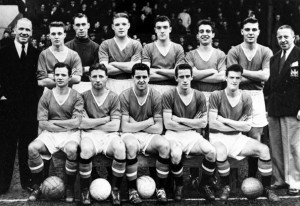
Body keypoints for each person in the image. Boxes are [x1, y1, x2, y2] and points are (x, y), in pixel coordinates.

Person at [209, 64, 279, 201]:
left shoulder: (246, 97)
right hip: (217, 137)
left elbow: (247, 127)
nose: (234, 81)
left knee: (264, 150)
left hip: (237, 138)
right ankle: (226, 187)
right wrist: (237, 125)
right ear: (225, 78)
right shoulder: (216, 95)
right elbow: (212, 123)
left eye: (237, 78)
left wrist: (224, 120)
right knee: (221, 151)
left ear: (241, 79)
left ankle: (266, 188)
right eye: (231, 77)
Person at [27, 62, 84, 202]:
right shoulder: (46, 95)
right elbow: (42, 123)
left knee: (72, 149)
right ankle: (37, 186)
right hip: (51, 134)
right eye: (57, 74)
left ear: (70, 77)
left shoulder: (76, 96)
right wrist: (63, 124)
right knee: (32, 148)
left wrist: (53, 123)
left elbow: (76, 122)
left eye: (63, 75)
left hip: (71, 134)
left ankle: (69, 186)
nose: (59, 77)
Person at [162, 64, 217, 201]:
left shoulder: (199, 96)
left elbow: (203, 123)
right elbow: (168, 123)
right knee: (175, 154)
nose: (185, 80)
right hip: (172, 134)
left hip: (192, 135)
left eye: (187, 76)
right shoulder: (169, 94)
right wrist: (192, 122)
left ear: (192, 77)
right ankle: (179, 185)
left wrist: (179, 119)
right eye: (181, 77)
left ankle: (203, 185)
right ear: (176, 78)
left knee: (211, 152)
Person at [226, 17, 273, 178]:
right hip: (236, 96)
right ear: (242, 31)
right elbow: (232, 79)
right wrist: (255, 76)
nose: (251, 32)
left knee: (255, 137)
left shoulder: (266, 51)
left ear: (258, 31)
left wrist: (241, 71)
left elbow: (266, 76)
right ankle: (233, 180)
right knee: (234, 135)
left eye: (254, 29)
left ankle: (252, 177)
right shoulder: (234, 51)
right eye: (247, 29)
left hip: (257, 97)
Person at [119, 63, 170, 204]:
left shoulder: (156, 96)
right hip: (131, 135)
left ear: (149, 78)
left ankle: (161, 188)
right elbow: (124, 127)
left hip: (148, 136)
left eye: (144, 77)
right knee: (130, 146)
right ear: (132, 78)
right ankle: (132, 190)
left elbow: (159, 128)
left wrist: (134, 124)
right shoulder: (125, 96)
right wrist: (148, 122)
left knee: (165, 146)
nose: (141, 80)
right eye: (138, 77)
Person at [0, 18, 41, 194]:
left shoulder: (37, 53)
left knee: (27, 147)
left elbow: (39, 81)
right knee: (5, 147)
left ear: (32, 32)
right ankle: (2, 184)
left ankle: (28, 182)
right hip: (7, 108)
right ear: (15, 30)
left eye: (27, 30)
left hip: (29, 109)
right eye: (21, 29)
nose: (24, 32)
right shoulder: (2, 51)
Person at [185, 19, 226, 190]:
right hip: (196, 97)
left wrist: (199, 74)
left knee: (212, 136)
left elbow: (221, 77)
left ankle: (211, 176)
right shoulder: (190, 55)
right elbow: (189, 75)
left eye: (208, 31)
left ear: (213, 34)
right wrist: (211, 71)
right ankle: (194, 176)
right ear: (197, 35)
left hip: (215, 97)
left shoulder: (220, 54)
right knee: (196, 135)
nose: (205, 34)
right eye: (201, 31)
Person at [79, 63, 126, 205]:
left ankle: (115, 189)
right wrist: (105, 119)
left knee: (120, 150)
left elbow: (115, 125)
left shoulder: (113, 97)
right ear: (89, 78)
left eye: (101, 76)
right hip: (90, 135)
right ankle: (85, 190)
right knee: (85, 150)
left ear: (106, 78)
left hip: (109, 135)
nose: (98, 79)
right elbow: (82, 124)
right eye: (94, 76)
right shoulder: (82, 97)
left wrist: (92, 121)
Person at [264, 25, 300, 195]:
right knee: (276, 147)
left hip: (293, 108)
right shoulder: (274, 58)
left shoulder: (299, 54)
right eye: (280, 37)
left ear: (294, 37)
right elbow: (270, 85)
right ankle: (280, 180)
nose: (283, 40)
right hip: (274, 108)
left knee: (293, 147)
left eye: (286, 37)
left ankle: (295, 182)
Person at [99, 13, 143, 95]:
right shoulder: (105, 44)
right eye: (117, 24)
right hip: (110, 84)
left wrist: (113, 63)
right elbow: (104, 70)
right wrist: (129, 66)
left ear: (128, 25)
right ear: (113, 27)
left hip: (130, 83)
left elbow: (135, 69)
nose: (121, 27)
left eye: (124, 24)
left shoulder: (136, 44)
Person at [142, 15, 185, 94]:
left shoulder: (178, 48)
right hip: (152, 90)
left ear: (170, 29)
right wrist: (171, 73)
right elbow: (145, 74)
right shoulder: (148, 47)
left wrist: (155, 71)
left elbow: (179, 74)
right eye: (159, 28)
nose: (162, 30)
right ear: (155, 30)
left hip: (173, 91)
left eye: (165, 27)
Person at [37, 21, 82, 89]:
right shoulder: (44, 54)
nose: (56, 37)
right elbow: (41, 82)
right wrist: (67, 77)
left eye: (59, 33)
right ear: (49, 36)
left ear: (64, 35)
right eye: (53, 34)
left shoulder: (73, 55)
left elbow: (77, 78)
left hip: (69, 95)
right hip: (50, 95)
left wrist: (51, 76)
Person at [65, 13, 99, 83]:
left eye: (83, 24)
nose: (81, 28)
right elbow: (65, 70)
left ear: (88, 25)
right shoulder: (66, 47)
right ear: (73, 26)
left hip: (90, 84)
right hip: (71, 84)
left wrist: (77, 70)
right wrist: (85, 69)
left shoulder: (96, 47)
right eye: (78, 25)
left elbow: (97, 70)